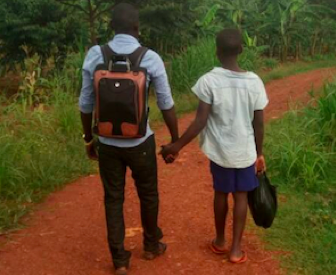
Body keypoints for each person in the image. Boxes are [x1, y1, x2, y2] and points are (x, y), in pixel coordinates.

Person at [79, 3, 179, 275]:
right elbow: (166, 104)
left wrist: (89, 138)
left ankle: (120, 261)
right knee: (148, 193)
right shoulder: (150, 58)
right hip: (140, 143)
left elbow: (86, 103)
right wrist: (175, 140)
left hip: (108, 143)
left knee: (113, 198)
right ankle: (150, 245)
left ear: (111, 27)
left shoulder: (94, 55)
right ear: (137, 28)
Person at [161, 28, 268, 264]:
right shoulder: (254, 82)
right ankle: (236, 249)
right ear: (241, 50)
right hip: (245, 153)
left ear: (217, 51)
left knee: (221, 194)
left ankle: (220, 241)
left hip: (220, 152)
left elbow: (200, 121)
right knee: (241, 197)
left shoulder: (209, 81)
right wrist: (259, 152)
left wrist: (176, 146)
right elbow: (258, 123)